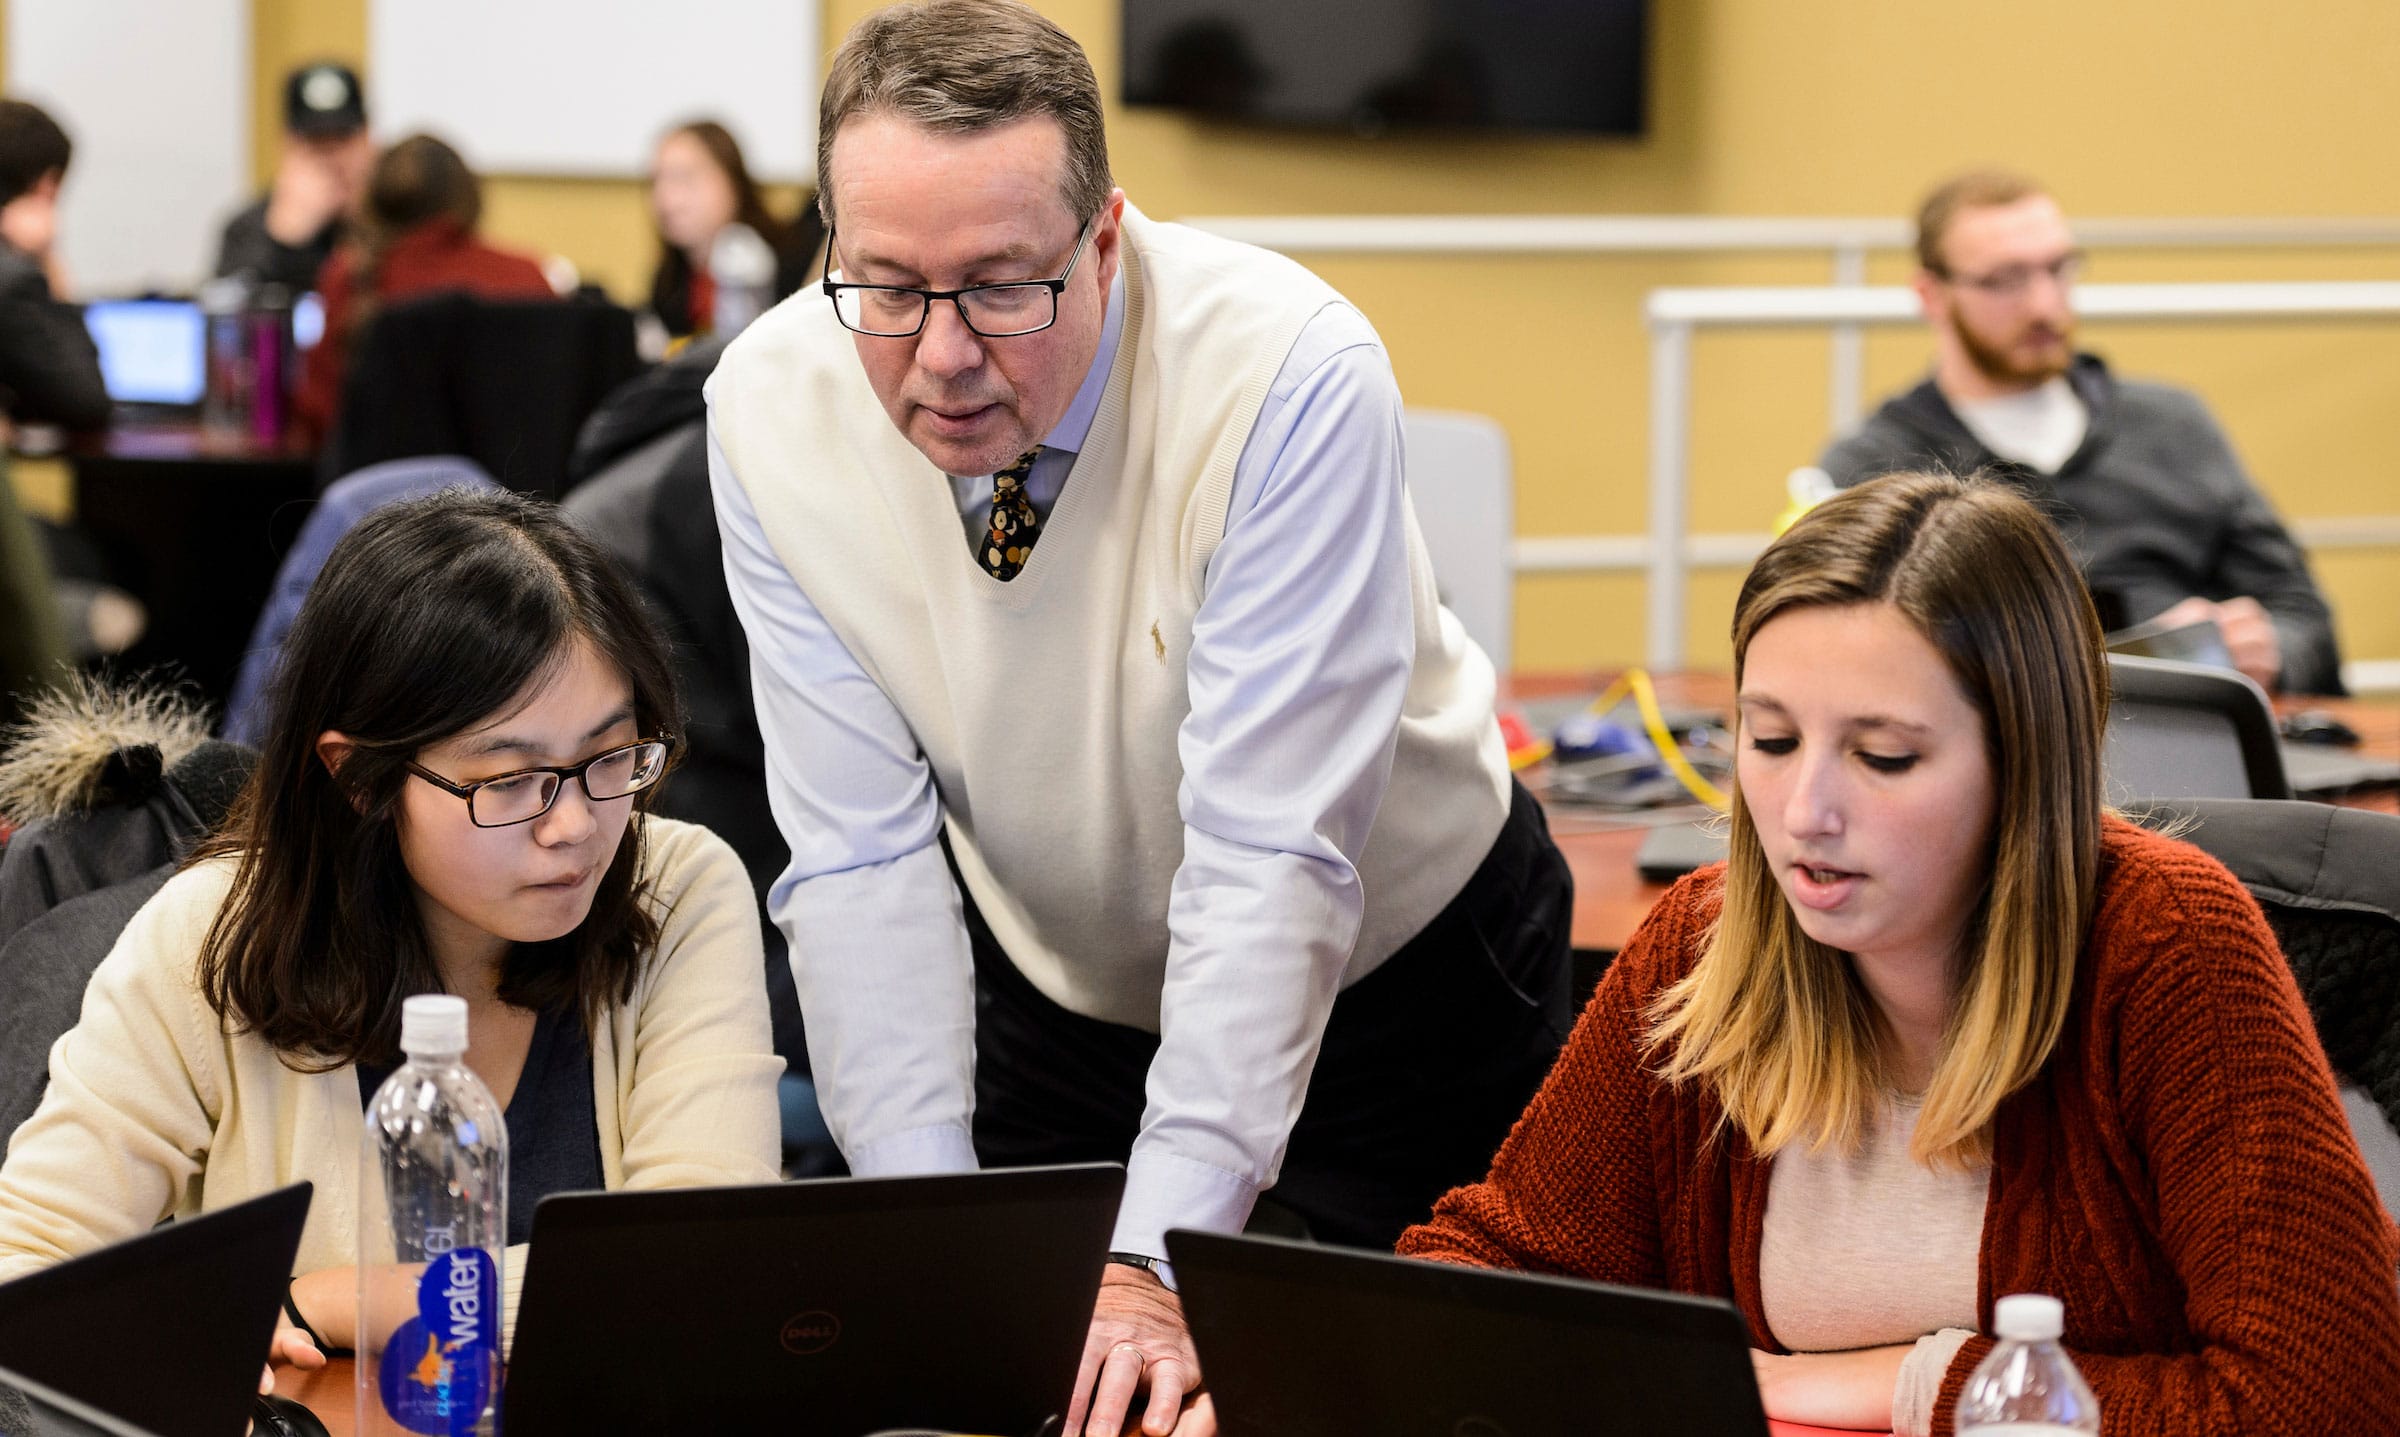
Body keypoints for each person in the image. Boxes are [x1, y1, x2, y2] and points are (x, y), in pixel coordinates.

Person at [706, 3, 1570, 1433]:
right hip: (1065, 992)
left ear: (1105, 239)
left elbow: (1269, 858)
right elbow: (859, 860)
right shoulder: (767, 406)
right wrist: (943, 1259)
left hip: (1407, 981)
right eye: (887, 287)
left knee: (1413, 1405)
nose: (941, 358)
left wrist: (1153, 1260)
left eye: (1001, 287)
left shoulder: (1285, 372)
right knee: (1003, 1383)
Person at [1396, 473, 2400, 1435]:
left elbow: (2326, 1401)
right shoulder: (1705, 942)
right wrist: (1360, 1355)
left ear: (2021, 764)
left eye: (1884, 757)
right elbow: (1517, 1261)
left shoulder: (2166, 947)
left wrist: (1915, 1381)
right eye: (1771, 740)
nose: (1805, 812)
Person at [0, 488, 782, 1388]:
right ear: (359, 777)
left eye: (612, 757)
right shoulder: (212, 930)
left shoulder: (673, 888)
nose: (574, 825)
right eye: (513, 779)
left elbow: (704, 1265)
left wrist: (329, 1299)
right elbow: (32, 1276)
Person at [1816, 170, 2343, 696]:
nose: (2046, 305)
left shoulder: (2173, 425)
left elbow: (2303, 616)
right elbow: (1856, 663)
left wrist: (2270, 648)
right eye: (2006, 280)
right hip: (1998, 747)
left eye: (2059, 269)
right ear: (1931, 295)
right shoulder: (1879, 465)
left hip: (2194, 733)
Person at [294, 134, 554, 445]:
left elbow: (319, 414)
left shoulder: (350, 280)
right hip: (508, 488)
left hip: (378, 490)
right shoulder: (525, 276)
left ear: (375, 200)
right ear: (469, 196)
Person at [646, 120, 822, 341]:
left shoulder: (796, 261)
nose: (665, 197)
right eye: (656, 181)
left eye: (684, 178)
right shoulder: (668, 285)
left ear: (732, 181)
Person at [213, 61, 374, 294]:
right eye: (315, 142)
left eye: (342, 139)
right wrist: (287, 242)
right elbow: (231, 311)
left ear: (367, 139)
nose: (331, 159)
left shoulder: (394, 218)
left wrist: (369, 224)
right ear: (287, 145)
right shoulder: (246, 231)